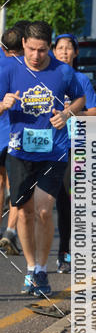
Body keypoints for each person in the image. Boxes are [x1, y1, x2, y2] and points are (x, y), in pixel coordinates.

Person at [0, 21, 85, 298]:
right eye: (32, 49)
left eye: (42, 50)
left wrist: (68, 113)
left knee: (44, 210)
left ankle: (42, 270)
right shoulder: (9, 69)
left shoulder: (62, 71)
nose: (36, 55)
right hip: (20, 151)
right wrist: (3, 105)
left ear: (49, 47)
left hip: (54, 151)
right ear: (23, 43)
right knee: (23, 212)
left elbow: (80, 98)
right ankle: (30, 266)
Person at [53, 34, 96, 274]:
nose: (63, 52)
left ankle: (66, 252)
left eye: (68, 48)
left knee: (68, 202)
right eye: (60, 48)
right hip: (47, 147)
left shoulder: (81, 80)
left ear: (75, 53)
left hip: (75, 145)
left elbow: (95, 113)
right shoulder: (46, 78)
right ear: (53, 51)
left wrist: (73, 114)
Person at [0, 27, 25, 255]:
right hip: (17, 135)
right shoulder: (29, 67)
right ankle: (10, 232)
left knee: (0, 182)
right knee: (17, 186)